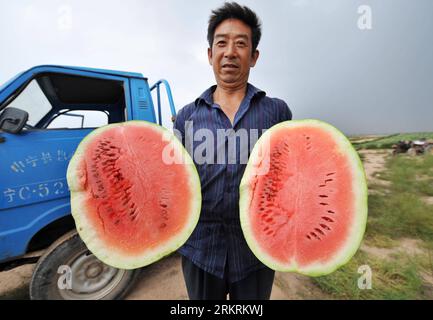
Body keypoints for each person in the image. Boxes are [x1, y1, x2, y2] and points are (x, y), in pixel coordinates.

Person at [174, 2, 292, 300]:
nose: (230, 51)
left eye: (241, 44)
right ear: (210, 54)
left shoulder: (276, 111)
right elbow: (173, 179)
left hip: (255, 249)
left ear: (253, 57)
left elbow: (290, 176)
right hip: (201, 247)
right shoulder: (187, 116)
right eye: (222, 43)